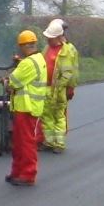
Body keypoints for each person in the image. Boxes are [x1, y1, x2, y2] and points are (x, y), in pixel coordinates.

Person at [5, 28, 48, 187]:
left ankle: (28, 174)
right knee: (19, 143)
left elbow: (13, 82)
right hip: (27, 108)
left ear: (23, 46)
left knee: (25, 143)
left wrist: (6, 81)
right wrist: (20, 63)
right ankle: (17, 172)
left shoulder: (28, 63)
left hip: (26, 108)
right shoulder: (38, 59)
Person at [39, 18, 80, 153]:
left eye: (50, 38)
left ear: (57, 37)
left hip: (59, 90)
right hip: (46, 88)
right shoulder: (47, 48)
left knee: (58, 116)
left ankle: (59, 144)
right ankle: (49, 142)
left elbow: (68, 73)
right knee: (47, 116)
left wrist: (66, 88)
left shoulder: (66, 51)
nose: (48, 40)